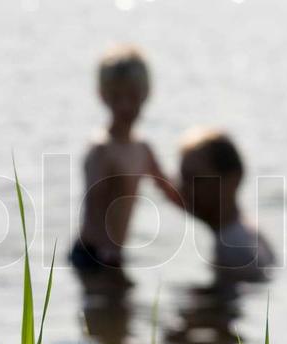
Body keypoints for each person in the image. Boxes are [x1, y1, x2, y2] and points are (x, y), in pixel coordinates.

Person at [71, 45, 179, 271]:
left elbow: (171, 192)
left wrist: (215, 212)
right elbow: (94, 204)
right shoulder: (101, 149)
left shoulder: (143, 149)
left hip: (115, 255)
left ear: (146, 94)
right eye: (116, 96)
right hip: (92, 254)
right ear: (103, 96)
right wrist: (106, 254)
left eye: (132, 95)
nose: (125, 105)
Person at [178, 128, 275, 279]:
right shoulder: (247, 232)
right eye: (184, 179)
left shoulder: (233, 249)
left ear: (232, 179)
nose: (185, 190)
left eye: (197, 180)